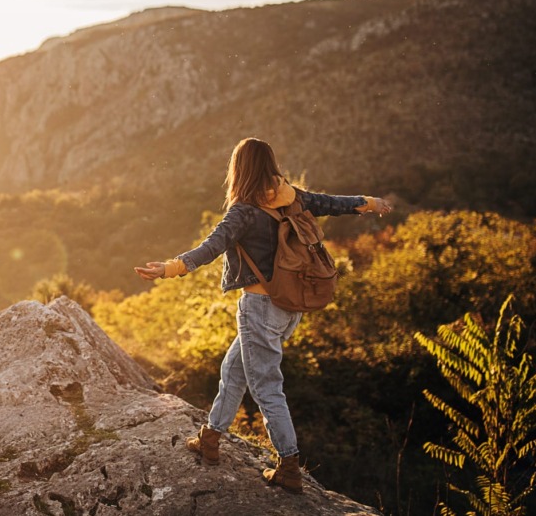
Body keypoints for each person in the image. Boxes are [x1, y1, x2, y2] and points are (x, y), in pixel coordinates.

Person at [135, 137, 391, 494]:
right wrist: (368, 203)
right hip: (290, 307)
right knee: (234, 370)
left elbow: (211, 247)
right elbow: (332, 203)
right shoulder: (293, 196)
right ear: (270, 164)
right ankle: (210, 438)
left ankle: (289, 466)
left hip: (259, 307)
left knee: (267, 387)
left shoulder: (243, 210)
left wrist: (169, 269)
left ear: (239, 170)